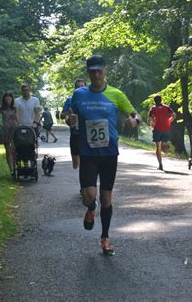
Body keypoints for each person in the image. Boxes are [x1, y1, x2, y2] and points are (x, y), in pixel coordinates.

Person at [69, 55, 142, 256]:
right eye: (92, 71)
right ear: (88, 72)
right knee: (89, 196)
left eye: (99, 70)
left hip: (109, 153)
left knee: (106, 197)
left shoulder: (116, 94)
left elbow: (136, 116)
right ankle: (91, 208)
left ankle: (105, 238)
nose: (96, 74)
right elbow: (70, 116)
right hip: (88, 152)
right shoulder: (79, 94)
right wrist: (70, 120)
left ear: (105, 70)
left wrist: (132, 122)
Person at [61, 79, 86, 169]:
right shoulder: (70, 100)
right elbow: (62, 115)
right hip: (75, 132)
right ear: (75, 89)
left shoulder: (90, 101)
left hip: (87, 133)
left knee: (87, 161)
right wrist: (68, 113)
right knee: (75, 164)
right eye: (78, 87)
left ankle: (86, 177)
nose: (80, 89)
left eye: (82, 87)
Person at [147, 95, 176, 171]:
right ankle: (165, 145)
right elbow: (174, 115)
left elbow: (149, 120)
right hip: (166, 128)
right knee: (163, 144)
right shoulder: (167, 107)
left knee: (158, 147)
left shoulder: (153, 108)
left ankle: (160, 164)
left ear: (154, 101)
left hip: (157, 129)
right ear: (161, 100)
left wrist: (152, 125)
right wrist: (169, 121)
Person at [0, 92, 19, 175]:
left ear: (12, 99)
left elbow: (16, 118)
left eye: (9, 99)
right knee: (7, 150)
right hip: (5, 130)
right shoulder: (2, 108)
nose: (8, 101)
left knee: (14, 149)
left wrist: (19, 126)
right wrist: (1, 125)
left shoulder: (14, 108)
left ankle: (15, 166)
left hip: (14, 129)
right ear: (4, 100)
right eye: (6, 99)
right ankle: (11, 170)